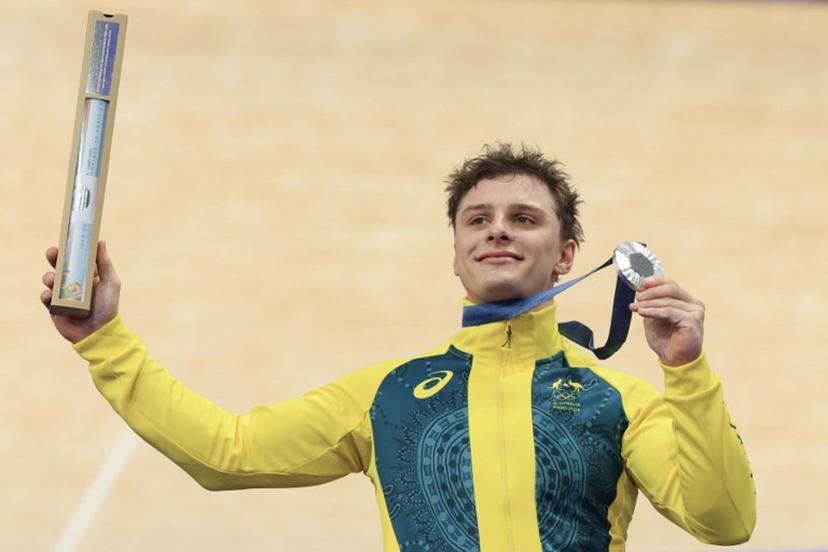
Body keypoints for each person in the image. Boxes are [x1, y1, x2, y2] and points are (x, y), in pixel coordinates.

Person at [41, 143, 755, 551]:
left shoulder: (620, 402)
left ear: (567, 254)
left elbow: (724, 520)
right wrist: (107, 342)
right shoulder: (386, 395)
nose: (497, 230)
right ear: (456, 254)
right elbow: (226, 451)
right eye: (478, 219)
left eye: (524, 218)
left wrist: (686, 372)